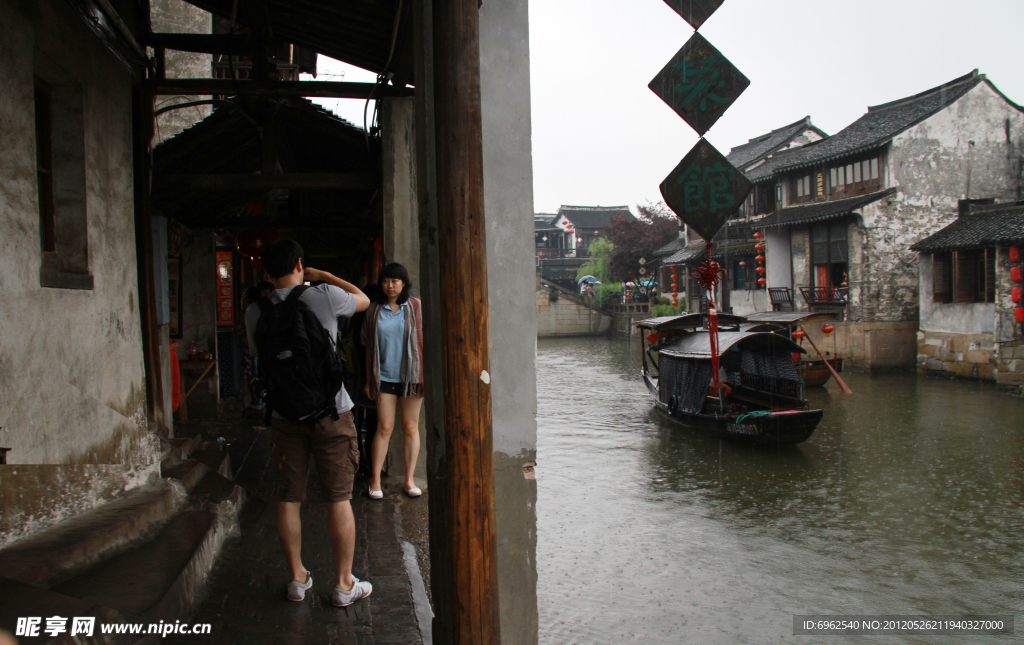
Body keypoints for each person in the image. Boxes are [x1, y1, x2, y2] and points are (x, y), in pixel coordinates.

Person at [244, 238, 372, 607]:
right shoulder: (324, 296)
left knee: (289, 498)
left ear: (264, 272)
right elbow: (363, 299)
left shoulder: (256, 311)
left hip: (284, 416)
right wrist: (324, 276)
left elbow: (258, 355)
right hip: (332, 413)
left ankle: (298, 579)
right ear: (300, 263)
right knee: (339, 498)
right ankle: (345, 583)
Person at [361, 263, 425, 500]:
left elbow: (424, 340)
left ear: (404, 283)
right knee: (384, 427)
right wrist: (369, 380)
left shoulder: (415, 306)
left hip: (412, 377)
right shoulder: (374, 310)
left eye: (395, 281)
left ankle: (409, 479)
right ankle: (375, 480)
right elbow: (367, 346)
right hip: (384, 376)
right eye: (386, 281)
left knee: (410, 427)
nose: (391, 285)